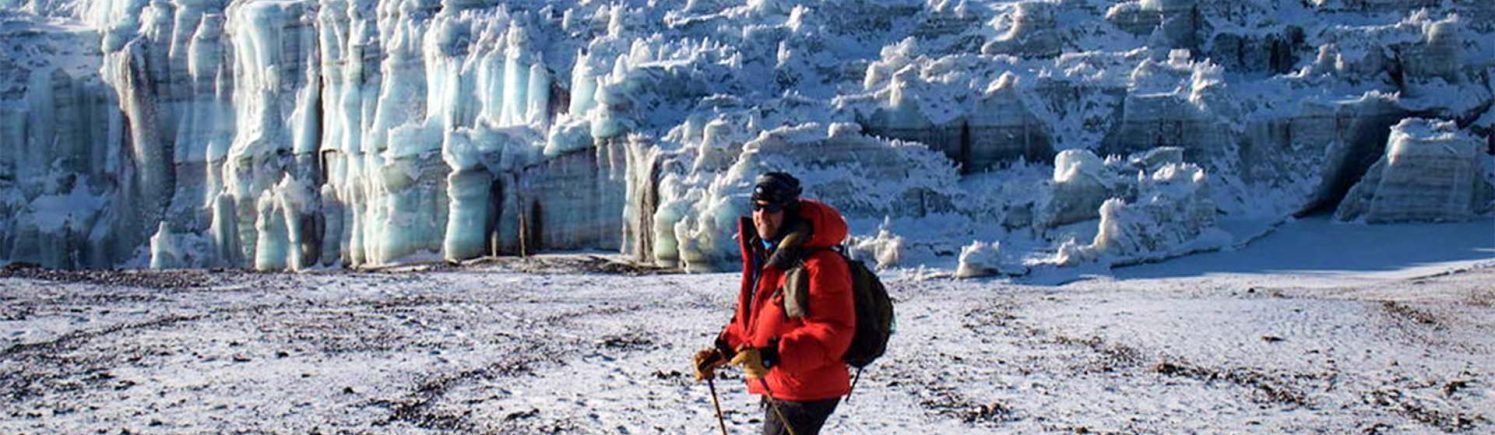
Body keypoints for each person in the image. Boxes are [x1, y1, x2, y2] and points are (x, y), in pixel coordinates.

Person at [693, 172, 856, 435]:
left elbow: (832, 332)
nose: (761, 215)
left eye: (771, 208)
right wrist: (723, 350)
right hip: (783, 382)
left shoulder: (821, 264)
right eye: (756, 207)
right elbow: (755, 322)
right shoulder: (770, 258)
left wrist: (771, 357)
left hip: (806, 387)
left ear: (788, 212)